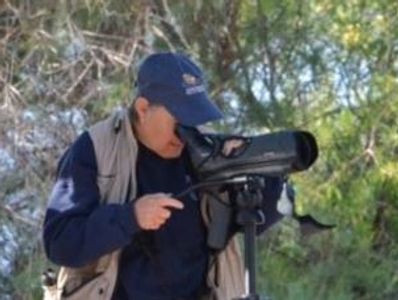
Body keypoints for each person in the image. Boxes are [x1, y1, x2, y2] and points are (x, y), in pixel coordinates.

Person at [42, 52, 284, 300]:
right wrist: (130, 216)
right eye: (180, 122)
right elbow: (61, 243)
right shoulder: (96, 148)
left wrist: (250, 169)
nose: (186, 134)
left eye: (194, 119)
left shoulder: (204, 147)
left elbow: (259, 219)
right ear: (144, 108)